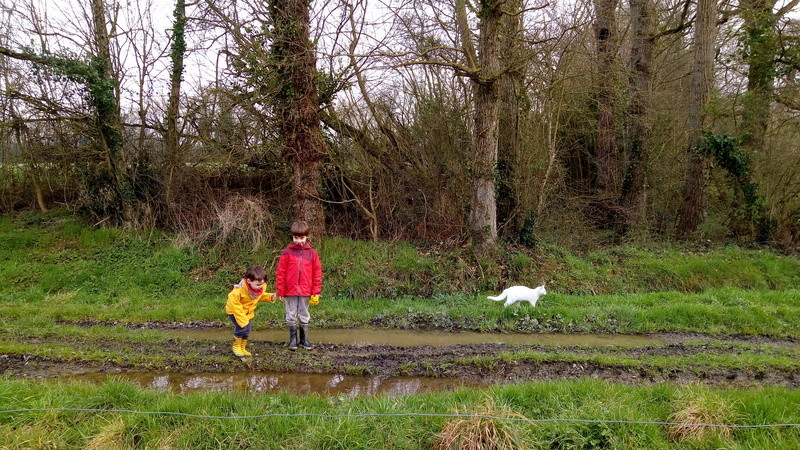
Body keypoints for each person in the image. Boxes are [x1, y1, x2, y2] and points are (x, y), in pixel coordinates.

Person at [275, 220, 322, 350]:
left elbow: (317, 273)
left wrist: (316, 291)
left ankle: (304, 340)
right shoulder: (286, 253)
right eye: (296, 238)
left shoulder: (313, 253)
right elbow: (281, 273)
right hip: (290, 290)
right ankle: (293, 340)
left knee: (304, 313)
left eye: (301, 238)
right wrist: (280, 291)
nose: (299, 241)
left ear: (307, 236)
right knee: (291, 314)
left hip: (306, 290)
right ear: (292, 236)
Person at [225, 265, 274, 357]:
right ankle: (236, 346)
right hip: (235, 312)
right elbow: (235, 307)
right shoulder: (237, 292)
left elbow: (260, 296)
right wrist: (243, 320)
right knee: (241, 329)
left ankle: (243, 347)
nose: (260, 287)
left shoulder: (258, 288)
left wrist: (269, 297)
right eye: (258, 285)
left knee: (247, 330)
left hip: (248, 312)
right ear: (248, 281)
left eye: (262, 284)